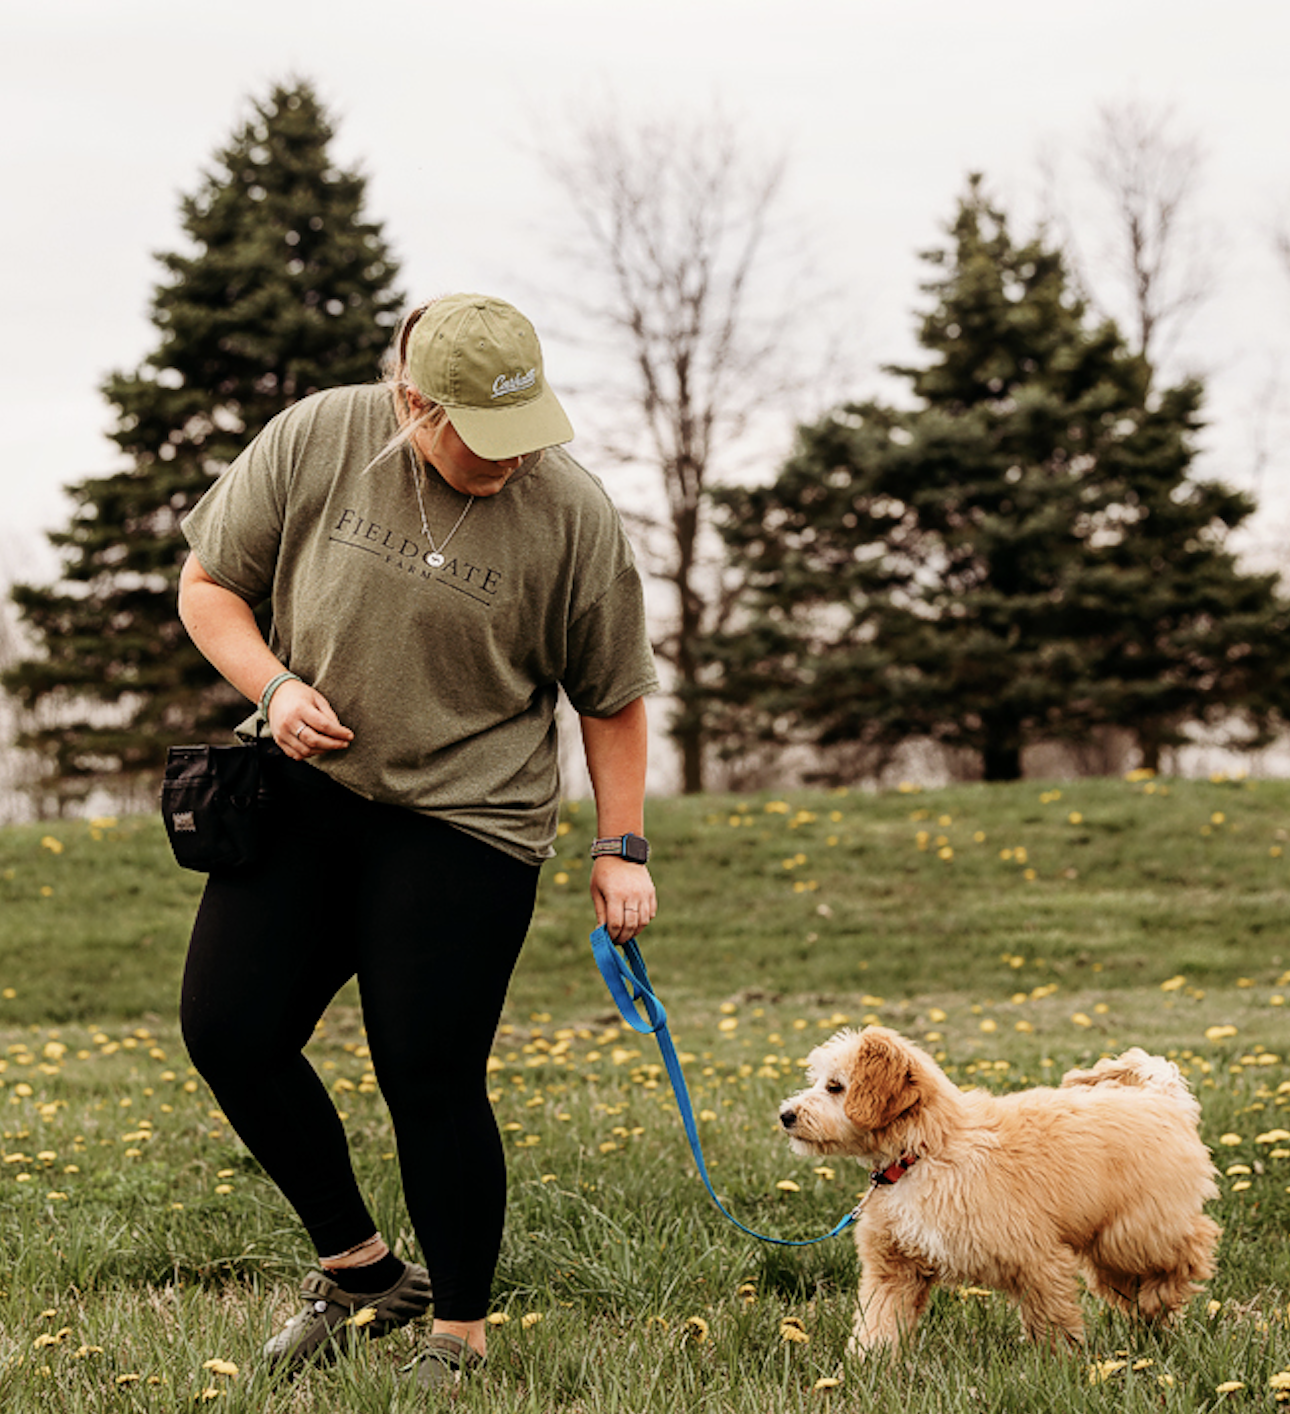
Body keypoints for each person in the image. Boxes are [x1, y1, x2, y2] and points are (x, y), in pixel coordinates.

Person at [176, 293, 659, 1393]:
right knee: (229, 1027)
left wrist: (619, 844)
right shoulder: (319, 436)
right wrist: (275, 685)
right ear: (411, 403)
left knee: (428, 1073)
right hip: (305, 788)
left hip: (467, 820)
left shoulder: (571, 514)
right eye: (483, 434)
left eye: (528, 426)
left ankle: (461, 1330)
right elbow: (208, 587)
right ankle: (358, 1270)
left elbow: (614, 696)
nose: (512, 456)